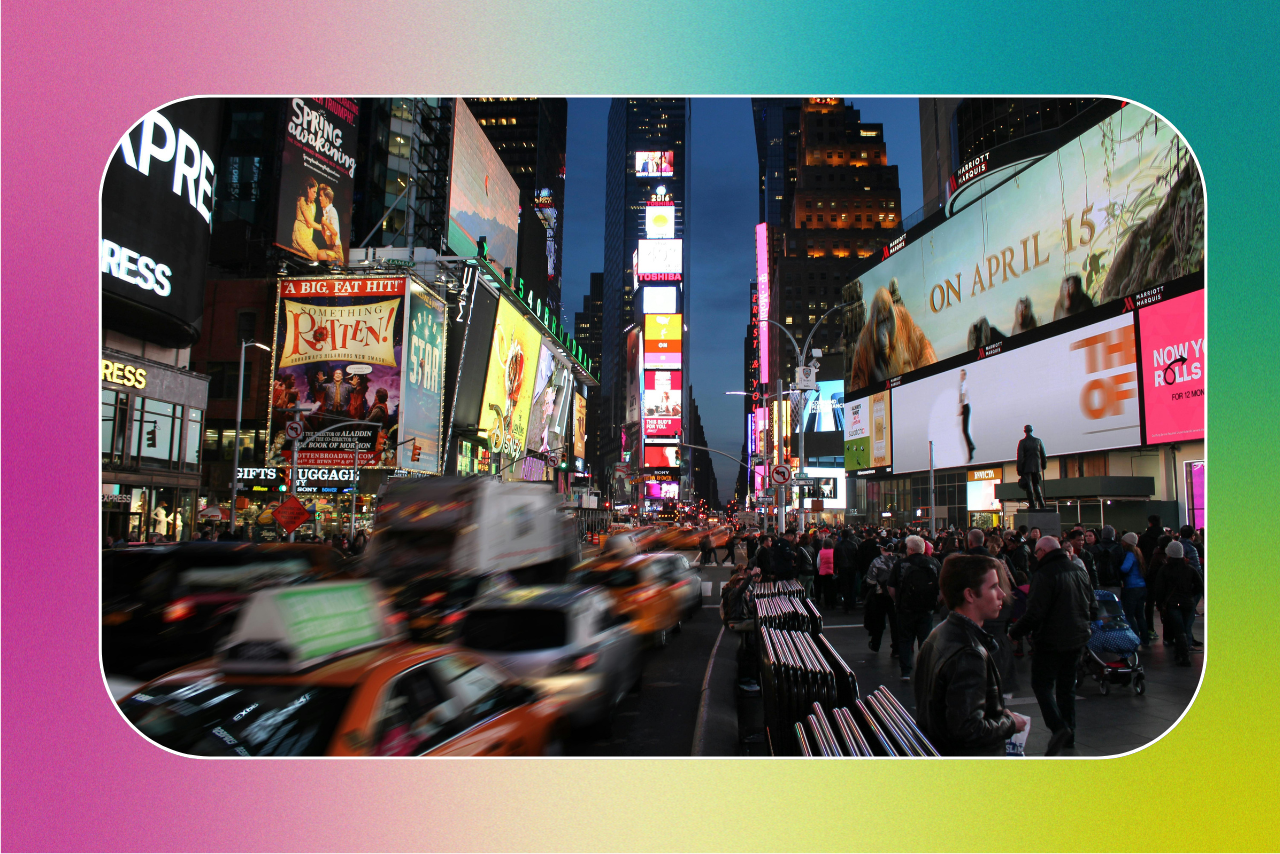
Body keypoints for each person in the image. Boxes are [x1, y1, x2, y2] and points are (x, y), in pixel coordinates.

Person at [913, 554, 1029, 755]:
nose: (1002, 593)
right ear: (970, 595)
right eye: (993, 587)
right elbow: (968, 729)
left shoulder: (939, 633)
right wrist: (1010, 723)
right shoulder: (968, 653)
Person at [1009, 536, 1096, 755]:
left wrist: (1015, 632)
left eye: (1036, 553)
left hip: (1051, 639)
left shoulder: (1044, 574)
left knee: (1042, 684)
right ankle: (1070, 733)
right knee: (1067, 687)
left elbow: (1035, 612)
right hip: (1077, 637)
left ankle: (1058, 727)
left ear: (1044, 551)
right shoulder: (1079, 571)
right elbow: (1092, 604)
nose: (1034, 557)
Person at [888, 535, 942, 682]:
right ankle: (925, 669)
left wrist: (897, 601)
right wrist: (934, 602)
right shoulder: (933, 563)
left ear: (910, 549)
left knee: (905, 639)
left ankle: (905, 671)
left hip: (905, 608)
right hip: (926, 608)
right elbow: (941, 586)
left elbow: (891, 587)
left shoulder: (901, 564)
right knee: (925, 640)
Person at [1150, 541, 1203, 666]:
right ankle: (1184, 652)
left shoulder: (1164, 570)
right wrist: (1191, 594)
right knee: (1186, 627)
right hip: (1188, 603)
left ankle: (1182, 655)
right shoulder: (1189, 569)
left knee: (1178, 629)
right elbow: (1200, 586)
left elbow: (1159, 588)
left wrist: (1159, 603)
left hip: (1172, 603)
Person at [864, 539, 900, 655]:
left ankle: (875, 644)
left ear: (882, 549)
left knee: (879, 621)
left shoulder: (877, 562)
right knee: (895, 623)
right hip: (895, 596)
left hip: (880, 595)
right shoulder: (898, 561)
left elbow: (871, 580)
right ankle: (896, 647)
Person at [1118, 532, 1149, 649]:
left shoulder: (1130, 554)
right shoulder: (1138, 553)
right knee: (1140, 615)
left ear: (1126, 543)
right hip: (1142, 587)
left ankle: (1135, 638)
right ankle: (1145, 639)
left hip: (1131, 588)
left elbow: (1125, 568)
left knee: (1130, 615)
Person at [1016, 425, 1047, 509]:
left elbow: (1020, 457)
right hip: (1036, 467)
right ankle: (1042, 504)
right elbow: (1043, 455)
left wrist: (1019, 469)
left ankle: (1032, 505)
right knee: (1036, 485)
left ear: (1025, 431)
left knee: (1029, 486)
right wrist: (1043, 465)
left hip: (1026, 467)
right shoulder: (1038, 441)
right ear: (1032, 430)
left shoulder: (1022, 442)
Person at [317, 183, 344, 265]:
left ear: (327, 198)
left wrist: (325, 222)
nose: (319, 198)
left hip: (336, 251)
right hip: (330, 249)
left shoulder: (332, 211)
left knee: (319, 254)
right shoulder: (325, 212)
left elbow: (335, 232)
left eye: (321, 196)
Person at [834, 528, 860, 612]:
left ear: (841, 535)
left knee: (844, 586)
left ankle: (846, 605)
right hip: (852, 568)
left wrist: (835, 569)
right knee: (852, 586)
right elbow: (856, 558)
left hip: (842, 568)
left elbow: (835, 559)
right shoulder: (853, 545)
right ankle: (852, 604)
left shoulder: (838, 545)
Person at [1094, 525, 1125, 589]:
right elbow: (1121, 564)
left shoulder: (1095, 548)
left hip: (1099, 582)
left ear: (1102, 535)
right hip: (1114, 582)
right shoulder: (1118, 548)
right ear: (1113, 536)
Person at [958, 369, 976, 462]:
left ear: (965, 376)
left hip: (966, 407)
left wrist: (961, 409)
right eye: (960, 375)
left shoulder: (964, 385)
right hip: (965, 408)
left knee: (965, 430)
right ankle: (971, 447)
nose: (961, 377)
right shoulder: (962, 385)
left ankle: (971, 449)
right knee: (964, 431)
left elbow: (964, 397)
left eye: (962, 375)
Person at [795, 533, 816, 598]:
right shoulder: (812, 549)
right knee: (807, 593)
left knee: (800, 592)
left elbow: (798, 563)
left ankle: (800, 606)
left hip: (803, 573)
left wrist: (795, 575)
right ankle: (808, 606)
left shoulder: (800, 549)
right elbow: (814, 562)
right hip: (811, 573)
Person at [816, 538, 836, 608]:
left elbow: (818, 563)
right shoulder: (834, 551)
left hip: (823, 572)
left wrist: (820, 570)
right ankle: (833, 603)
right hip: (832, 572)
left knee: (825, 589)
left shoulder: (821, 552)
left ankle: (827, 604)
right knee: (833, 588)